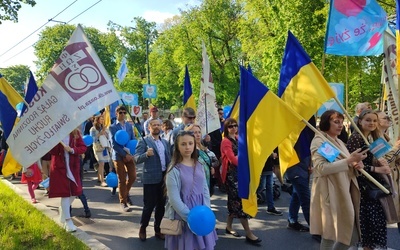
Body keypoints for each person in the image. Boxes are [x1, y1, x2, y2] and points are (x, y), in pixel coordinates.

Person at [310, 110, 367, 249]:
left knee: (350, 235)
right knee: (330, 235)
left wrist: (356, 164)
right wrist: (349, 160)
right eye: (336, 122)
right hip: (330, 192)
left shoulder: (339, 141)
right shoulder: (319, 140)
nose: (340, 125)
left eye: (341, 122)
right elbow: (321, 168)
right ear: (325, 123)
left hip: (344, 190)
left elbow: (347, 163)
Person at [164, 130, 218, 249]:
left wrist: (207, 210)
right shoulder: (174, 169)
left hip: (201, 212)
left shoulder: (199, 165)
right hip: (184, 214)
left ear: (194, 145)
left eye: (190, 143)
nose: (187, 147)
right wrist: (190, 217)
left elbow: (204, 189)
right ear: (177, 147)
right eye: (183, 144)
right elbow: (174, 199)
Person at [347, 109, 391, 249]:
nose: (371, 123)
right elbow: (353, 165)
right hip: (363, 187)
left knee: (375, 223)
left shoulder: (372, 138)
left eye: (374, 120)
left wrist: (380, 163)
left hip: (373, 185)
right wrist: (377, 169)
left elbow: (377, 160)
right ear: (360, 121)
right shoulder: (356, 138)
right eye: (368, 120)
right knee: (368, 224)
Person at [220, 118, 261, 244]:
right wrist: (242, 159)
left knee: (234, 203)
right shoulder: (226, 142)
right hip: (231, 176)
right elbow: (233, 159)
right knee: (240, 203)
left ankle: (228, 227)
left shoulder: (238, 139)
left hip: (240, 174)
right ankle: (249, 233)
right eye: (230, 126)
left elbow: (245, 155)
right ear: (226, 129)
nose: (233, 128)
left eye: (235, 125)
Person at [135, 119, 171, 241]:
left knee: (161, 206)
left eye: (158, 125)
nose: (156, 127)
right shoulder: (144, 141)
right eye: (154, 125)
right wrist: (146, 154)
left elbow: (169, 159)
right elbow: (136, 159)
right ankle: (143, 227)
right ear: (149, 128)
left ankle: (158, 229)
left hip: (163, 178)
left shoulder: (165, 142)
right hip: (150, 178)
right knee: (149, 206)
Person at [49, 129, 87, 232]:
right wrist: (55, 143)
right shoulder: (55, 133)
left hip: (73, 167)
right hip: (60, 168)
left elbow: (83, 147)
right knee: (65, 193)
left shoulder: (75, 132)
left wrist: (72, 150)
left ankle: (63, 209)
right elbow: (52, 152)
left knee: (75, 192)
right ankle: (68, 220)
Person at [109, 105, 137, 212]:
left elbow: (132, 139)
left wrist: (131, 153)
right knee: (121, 179)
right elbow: (114, 145)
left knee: (133, 176)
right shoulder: (112, 127)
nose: (123, 114)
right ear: (116, 113)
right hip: (118, 156)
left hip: (129, 154)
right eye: (120, 112)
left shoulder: (129, 126)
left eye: (124, 112)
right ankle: (123, 202)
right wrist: (124, 155)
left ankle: (125, 193)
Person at [377, 110, 400, 233]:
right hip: (387, 182)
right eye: (385, 118)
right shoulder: (376, 139)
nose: (388, 119)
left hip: (394, 180)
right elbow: (385, 160)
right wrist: (397, 148)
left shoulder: (386, 137)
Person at [185, 124, 219, 195]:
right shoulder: (188, 149)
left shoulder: (202, 147)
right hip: (195, 183)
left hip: (206, 180)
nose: (198, 135)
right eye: (195, 132)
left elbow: (214, 160)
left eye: (199, 132)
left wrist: (210, 167)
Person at [257, 149, 282, 216]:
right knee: (261, 186)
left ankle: (270, 207)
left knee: (269, 188)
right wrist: (272, 154)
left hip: (268, 166)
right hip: (262, 166)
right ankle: (248, 200)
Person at [90, 115, 110, 187]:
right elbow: (92, 139)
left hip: (104, 147)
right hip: (98, 148)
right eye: (101, 119)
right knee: (101, 163)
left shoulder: (103, 128)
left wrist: (106, 133)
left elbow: (107, 137)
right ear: (97, 120)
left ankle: (99, 178)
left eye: (103, 119)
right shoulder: (93, 129)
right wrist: (99, 134)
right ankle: (102, 181)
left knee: (102, 163)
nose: (102, 120)